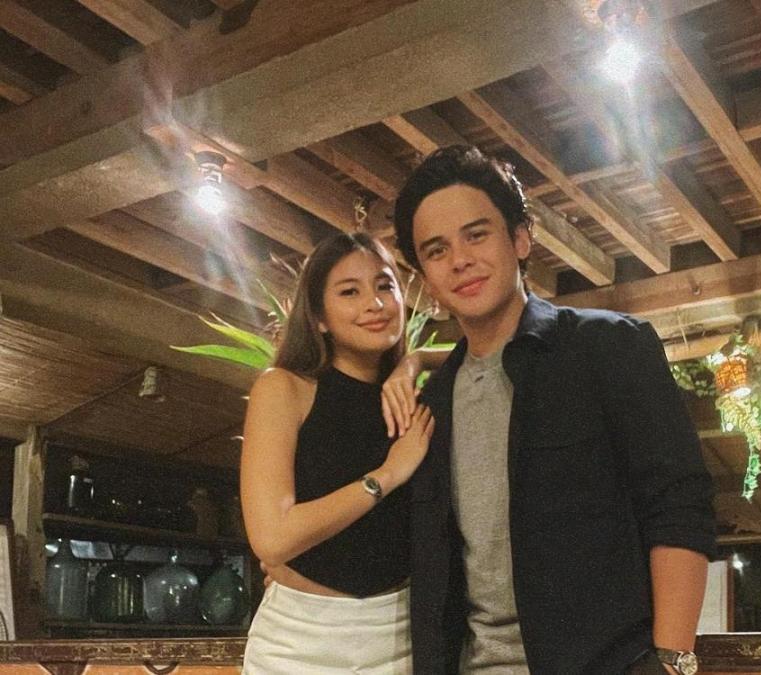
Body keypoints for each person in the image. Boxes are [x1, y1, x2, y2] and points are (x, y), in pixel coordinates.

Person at [392, 146, 717, 675]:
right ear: (426, 277)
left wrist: (670, 661)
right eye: (436, 249)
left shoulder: (608, 348)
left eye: (476, 235)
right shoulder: (432, 404)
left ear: (521, 238)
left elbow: (679, 505)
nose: (459, 260)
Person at [240, 232, 434, 674]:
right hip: (299, 639)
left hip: (397, 635)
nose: (375, 303)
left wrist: (416, 360)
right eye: (350, 292)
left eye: (385, 286)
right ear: (319, 317)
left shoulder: (413, 399)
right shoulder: (285, 388)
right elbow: (272, 538)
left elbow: (484, 350)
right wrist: (387, 475)